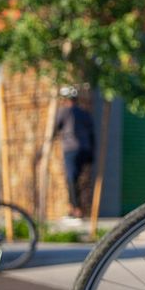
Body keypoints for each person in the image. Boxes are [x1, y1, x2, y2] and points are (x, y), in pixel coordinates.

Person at [54, 87, 95, 219]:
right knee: (78, 179)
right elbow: (92, 134)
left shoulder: (64, 111)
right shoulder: (84, 113)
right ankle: (75, 208)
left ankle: (76, 210)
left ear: (65, 99)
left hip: (71, 149)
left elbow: (56, 127)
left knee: (71, 178)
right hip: (85, 149)